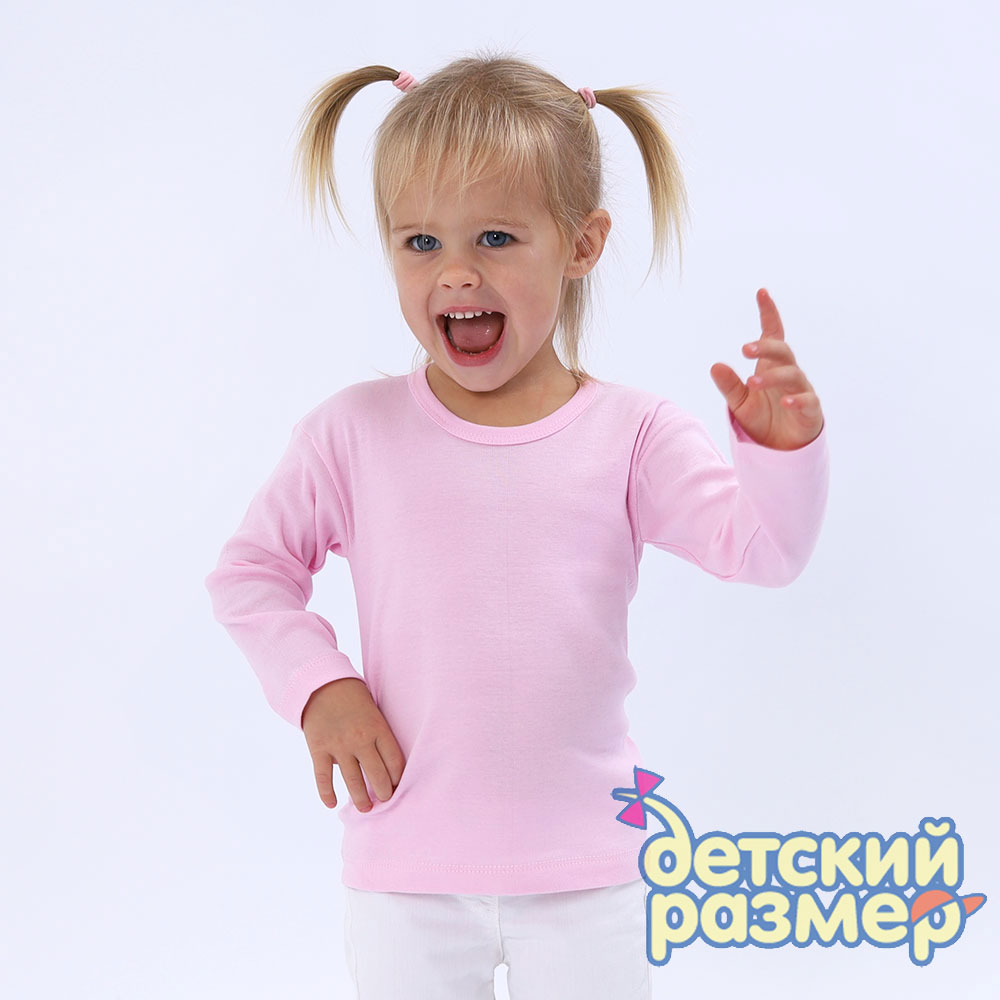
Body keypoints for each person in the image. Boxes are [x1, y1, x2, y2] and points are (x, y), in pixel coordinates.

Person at [204, 53, 829, 999]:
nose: (456, 272)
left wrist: (780, 454)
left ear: (582, 244)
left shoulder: (634, 435)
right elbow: (251, 573)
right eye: (421, 242)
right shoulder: (353, 433)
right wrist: (319, 686)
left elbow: (765, 552)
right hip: (406, 870)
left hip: (590, 874)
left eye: (496, 236)